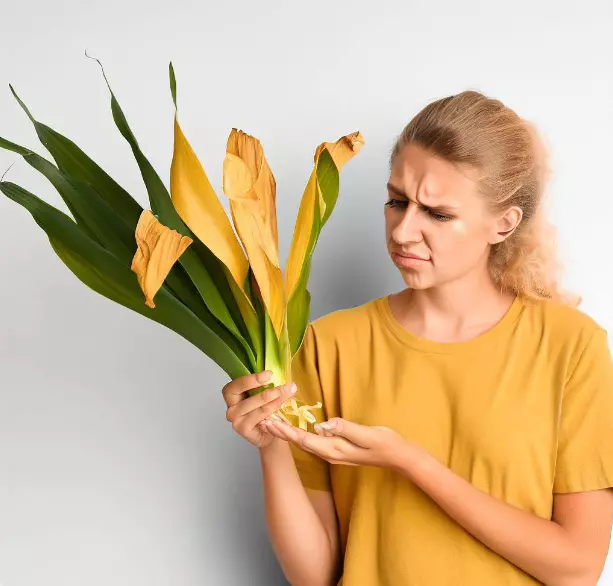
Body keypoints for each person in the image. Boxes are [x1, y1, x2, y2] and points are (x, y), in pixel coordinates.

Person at [221, 90, 613, 585]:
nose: (403, 231)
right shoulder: (328, 345)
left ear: (504, 222)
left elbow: (578, 569)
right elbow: (316, 576)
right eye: (396, 201)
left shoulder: (570, 346)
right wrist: (271, 446)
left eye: (437, 213)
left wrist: (409, 462)